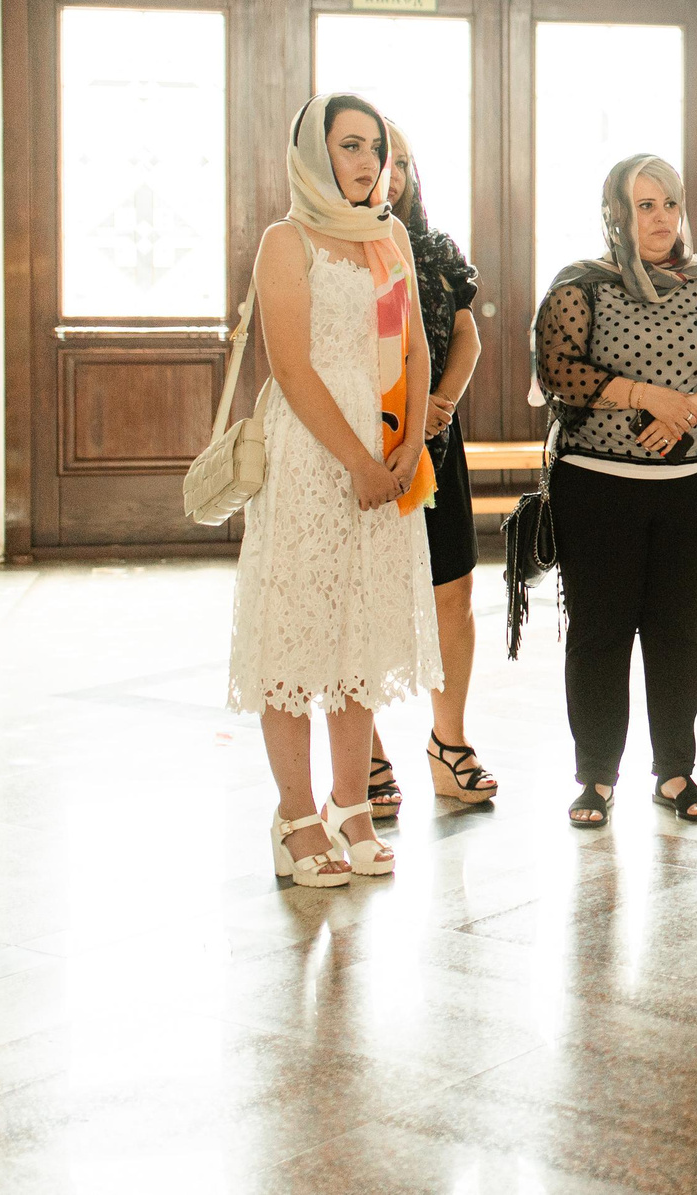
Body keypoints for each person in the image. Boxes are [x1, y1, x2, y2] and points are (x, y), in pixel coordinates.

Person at [229, 94, 441, 888]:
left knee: (362, 628)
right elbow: (290, 365)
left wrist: (408, 445)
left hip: (386, 454)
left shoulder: (389, 237)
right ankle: (294, 816)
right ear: (316, 154)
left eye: (375, 149)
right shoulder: (287, 241)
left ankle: (351, 803)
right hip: (313, 453)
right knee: (297, 627)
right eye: (350, 146)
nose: (366, 162)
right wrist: (355, 457)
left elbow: (418, 349)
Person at [535, 155, 697, 830]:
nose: (660, 218)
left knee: (676, 634)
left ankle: (674, 772)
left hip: (690, 489)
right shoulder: (583, 284)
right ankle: (596, 778)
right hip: (597, 489)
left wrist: (684, 412)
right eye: (644, 205)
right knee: (599, 633)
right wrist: (646, 398)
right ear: (616, 212)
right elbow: (559, 369)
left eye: (669, 203)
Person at [360, 128, 495, 814]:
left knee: (453, 594)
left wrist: (441, 402)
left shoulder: (437, 250)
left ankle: (450, 743)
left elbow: (467, 333)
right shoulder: (339, 247)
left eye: (405, 162)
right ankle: (368, 752)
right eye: (386, 160)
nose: (396, 173)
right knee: (363, 600)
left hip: (438, 442)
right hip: (367, 447)